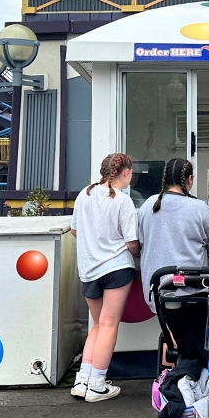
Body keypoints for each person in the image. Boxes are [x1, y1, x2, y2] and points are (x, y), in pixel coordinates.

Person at [70, 153, 140, 402]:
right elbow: (132, 242)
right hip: (116, 269)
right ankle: (98, 384)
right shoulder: (123, 201)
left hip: (89, 270)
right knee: (109, 325)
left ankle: (83, 380)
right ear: (126, 173)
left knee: (97, 324)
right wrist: (139, 254)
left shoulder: (84, 195)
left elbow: (75, 230)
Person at [138, 158, 209, 313]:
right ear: (190, 179)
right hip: (193, 291)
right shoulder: (200, 208)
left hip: (156, 291)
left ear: (165, 178)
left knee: (170, 330)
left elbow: (142, 242)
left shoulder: (147, 205)